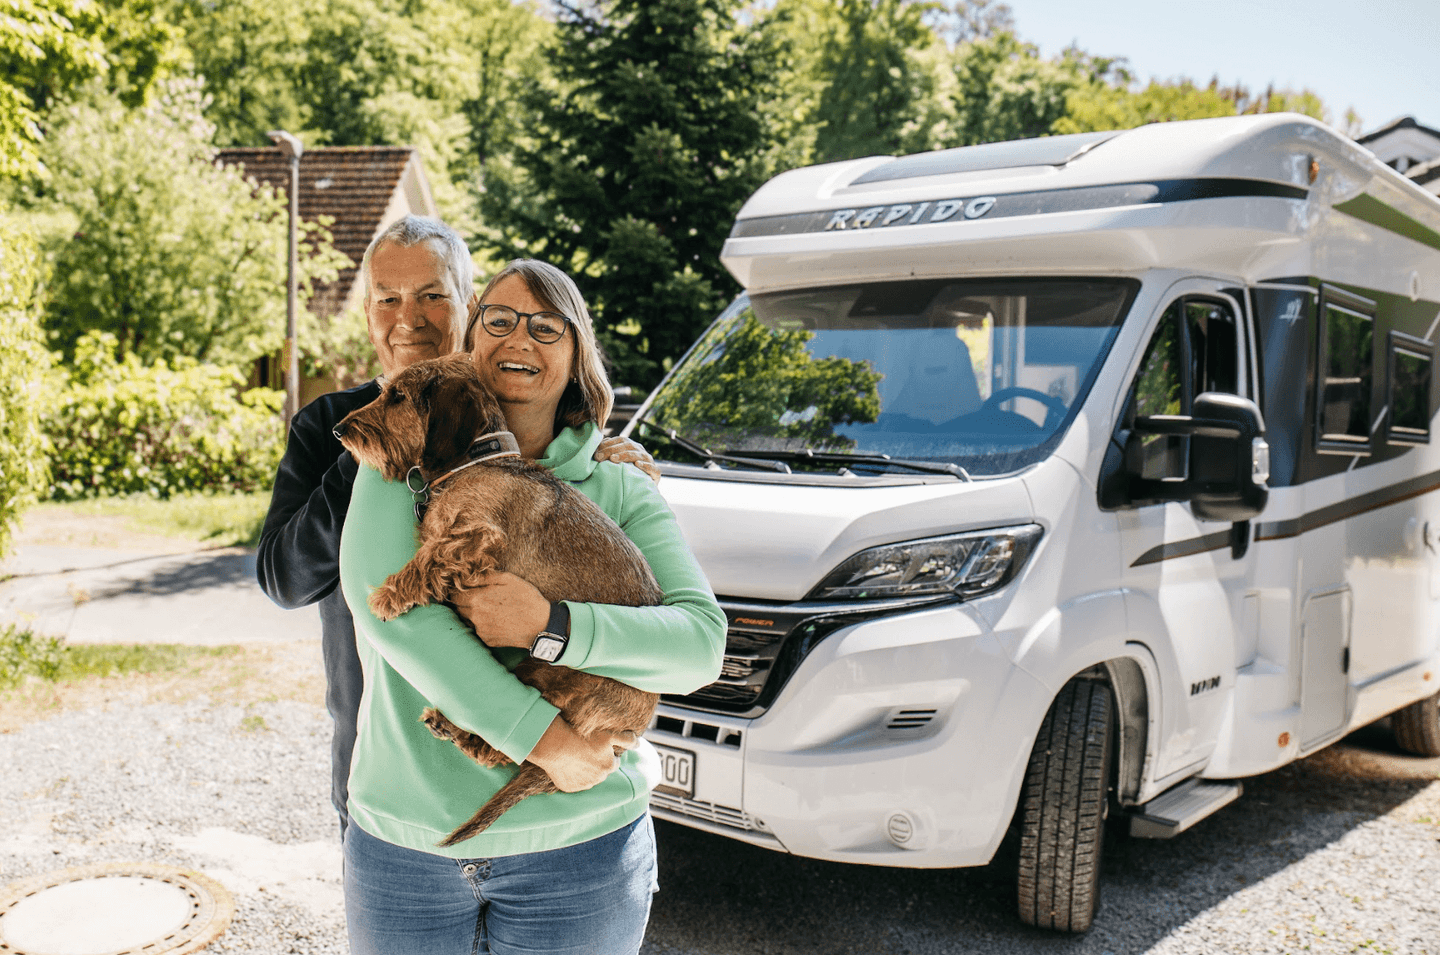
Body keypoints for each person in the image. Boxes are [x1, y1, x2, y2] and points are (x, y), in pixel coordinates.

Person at [337, 258, 725, 955]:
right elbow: (392, 614)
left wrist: (553, 626)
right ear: (471, 338)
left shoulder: (619, 485)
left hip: (583, 852)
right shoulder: (405, 461)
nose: (521, 338)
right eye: (501, 319)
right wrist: (548, 743)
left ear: (578, 358)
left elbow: (699, 644)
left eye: (548, 327)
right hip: (405, 846)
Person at [256, 216, 660, 837]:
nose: (407, 318)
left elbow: (574, 515)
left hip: (551, 782)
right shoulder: (329, 424)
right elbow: (282, 580)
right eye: (387, 299)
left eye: (432, 296)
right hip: (389, 771)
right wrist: (378, 444)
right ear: (368, 313)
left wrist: (605, 454)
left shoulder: (520, 410)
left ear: (469, 309)